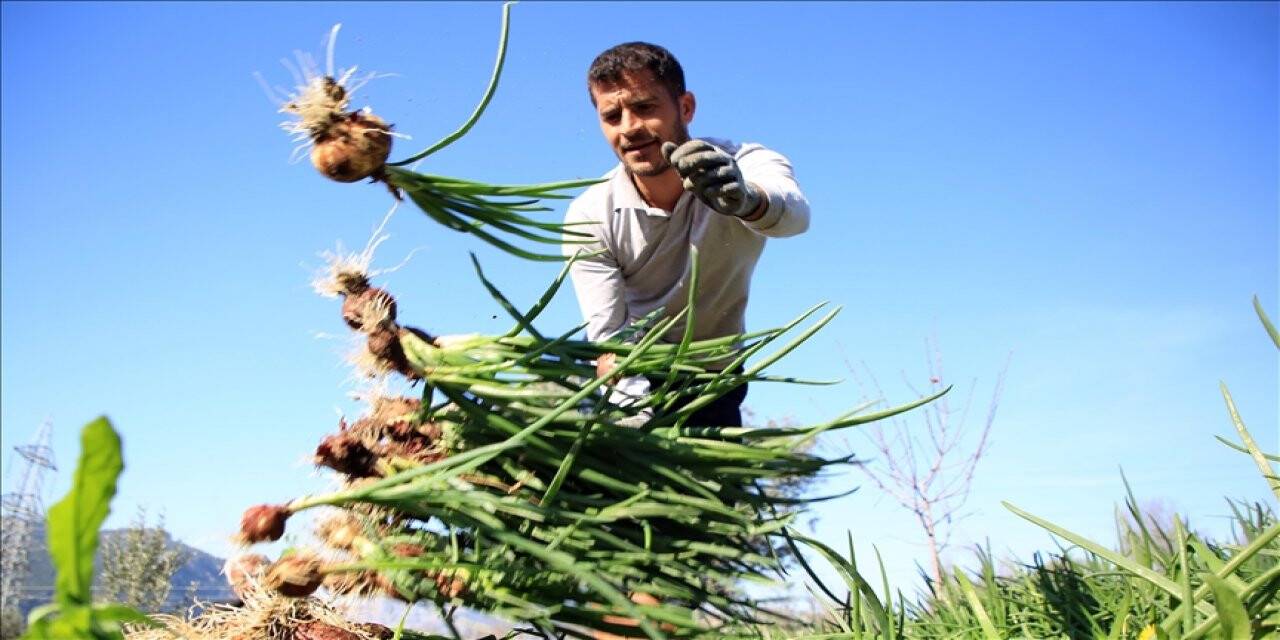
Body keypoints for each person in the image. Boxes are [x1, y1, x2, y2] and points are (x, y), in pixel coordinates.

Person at [563, 41, 810, 428]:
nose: (629, 128)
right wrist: (635, 426)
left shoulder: (744, 163)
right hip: (638, 371)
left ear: (686, 107)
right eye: (612, 116)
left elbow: (795, 216)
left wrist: (747, 200)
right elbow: (611, 338)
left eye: (645, 107)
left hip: (715, 376)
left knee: (718, 483)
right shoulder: (590, 215)